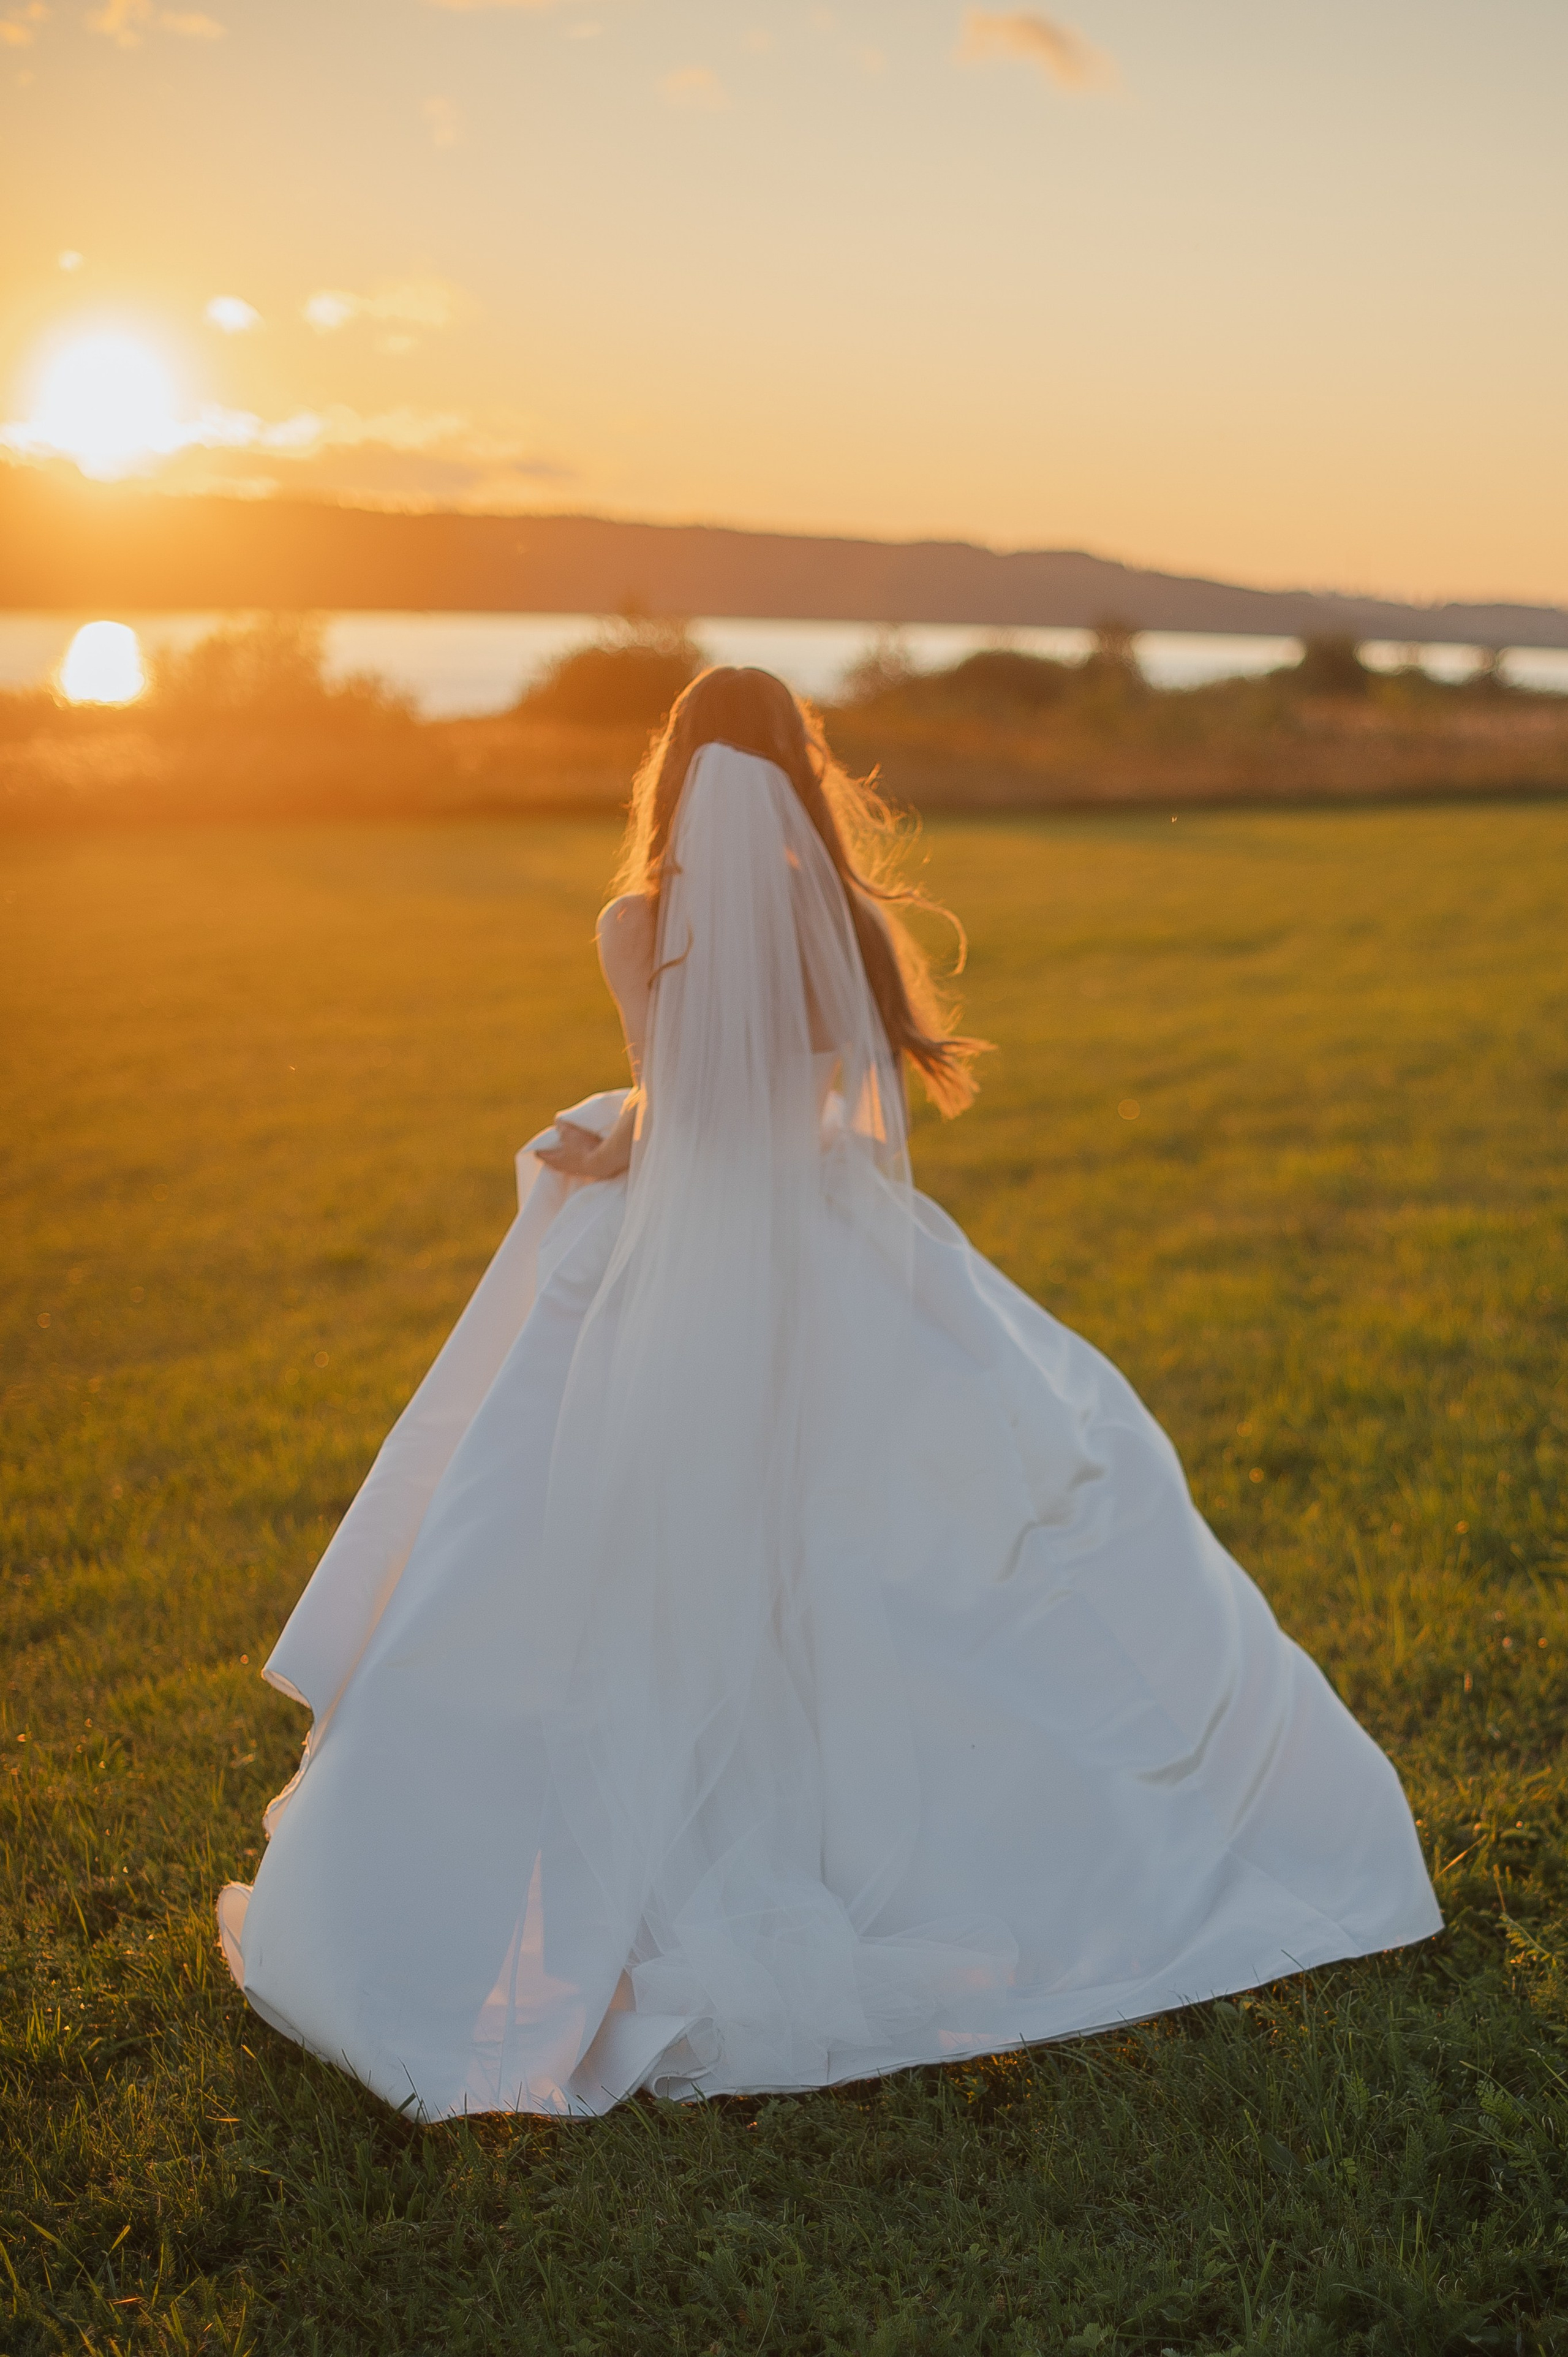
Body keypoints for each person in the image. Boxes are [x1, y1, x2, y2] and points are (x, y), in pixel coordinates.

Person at [217, 666, 1439, 2117]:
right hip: (830, 1248)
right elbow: (832, 1101)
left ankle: (498, 1897)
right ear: (800, 772)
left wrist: (602, 1146)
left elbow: (677, 1102)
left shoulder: (634, 925)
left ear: (671, 775)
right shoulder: (843, 921)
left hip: (677, 1265)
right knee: (926, 1544)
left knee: (579, 1547)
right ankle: (1032, 1840)